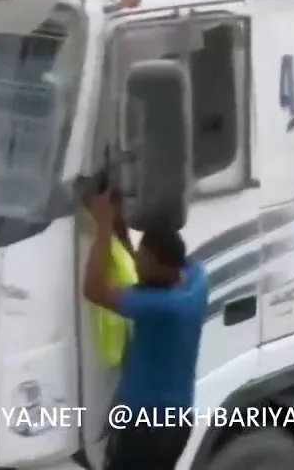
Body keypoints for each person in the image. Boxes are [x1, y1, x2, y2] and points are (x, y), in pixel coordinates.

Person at [82, 186, 206, 470]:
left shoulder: (161, 306)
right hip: (176, 424)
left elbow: (93, 289)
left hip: (148, 430)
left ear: (163, 267)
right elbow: (152, 267)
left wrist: (103, 226)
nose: (137, 265)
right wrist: (119, 223)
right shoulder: (196, 279)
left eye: (144, 261)